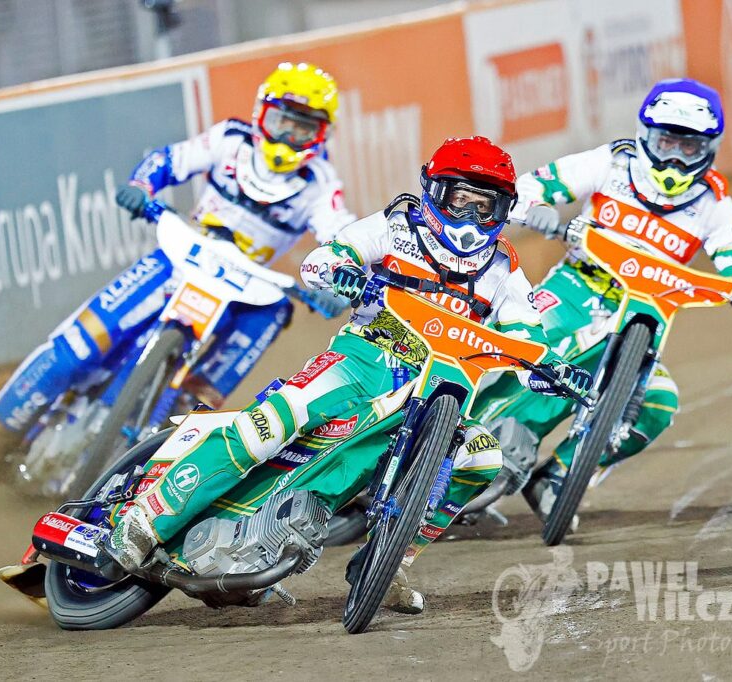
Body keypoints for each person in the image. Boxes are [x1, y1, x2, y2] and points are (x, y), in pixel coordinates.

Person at [105, 135, 593, 614]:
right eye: (459, 199)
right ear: (433, 191)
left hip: (443, 392)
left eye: (484, 206)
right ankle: (147, 514)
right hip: (364, 358)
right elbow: (322, 260)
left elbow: (529, 338)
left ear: (504, 210)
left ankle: (389, 561)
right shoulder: (396, 227)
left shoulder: (503, 266)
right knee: (272, 421)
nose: (469, 217)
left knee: (482, 459)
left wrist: (553, 369)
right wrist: (342, 272)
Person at [0, 62, 355, 488]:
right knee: (74, 351)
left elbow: (339, 233)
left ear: (321, 134)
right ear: (262, 114)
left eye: (303, 128)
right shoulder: (230, 140)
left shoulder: (320, 183)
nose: (288, 135)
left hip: (248, 287)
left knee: (271, 317)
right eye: (282, 121)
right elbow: (170, 160)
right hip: (182, 254)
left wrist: (339, 278)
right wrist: (142, 186)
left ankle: (171, 439)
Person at [472, 78, 732, 523]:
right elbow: (532, 186)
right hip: (576, 288)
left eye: (689, 147)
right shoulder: (613, 162)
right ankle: (455, 456)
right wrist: (534, 208)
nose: (675, 158)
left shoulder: (712, 201)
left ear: (710, 149)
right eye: (667, 142)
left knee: (658, 402)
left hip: (645, 316)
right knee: (530, 354)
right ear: (646, 135)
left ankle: (558, 477)